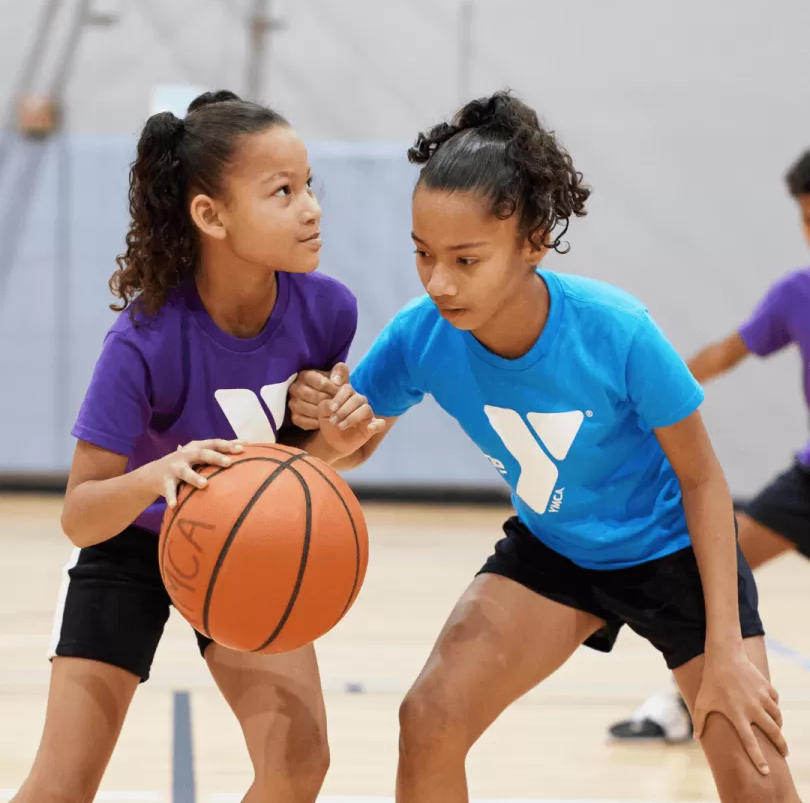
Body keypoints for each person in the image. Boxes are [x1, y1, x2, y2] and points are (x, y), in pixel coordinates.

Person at [288, 91, 801, 802]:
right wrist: (333, 435)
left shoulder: (616, 330)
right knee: (428, 719)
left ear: (532, 243)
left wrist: (726, 651)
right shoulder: (420, 334)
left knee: (761, 785)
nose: (440, 282)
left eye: (466, 259)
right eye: (424, 255)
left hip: (674, 556)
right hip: (555, 552)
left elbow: (704, 481)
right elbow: (349, 445)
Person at [11, 90, 383, 803]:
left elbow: (309, 461)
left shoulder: (328, 308)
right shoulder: (143, 339)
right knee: (59, 787)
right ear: (210, 215)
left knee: (298, 767)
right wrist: (158, 476)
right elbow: (80, 515)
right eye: (283, 192)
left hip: (244, 548)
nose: (311, 208)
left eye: (310, 186)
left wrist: (331, 437)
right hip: (130, 547)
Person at [606, 150, 810, 744]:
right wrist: (646, 399)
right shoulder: (796, 294)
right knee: (717, 563)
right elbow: (723, 354)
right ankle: (693, 703)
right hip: (807, 484)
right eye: (805, 217)